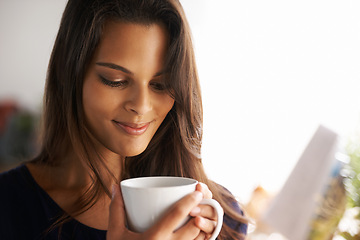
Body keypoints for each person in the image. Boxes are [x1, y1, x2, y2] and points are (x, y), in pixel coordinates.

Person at [0, 0, 248, 239]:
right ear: (69, 74)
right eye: (115, 80)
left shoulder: (219, 220)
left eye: (161, 84)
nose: (141, 106)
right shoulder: (8, 207)